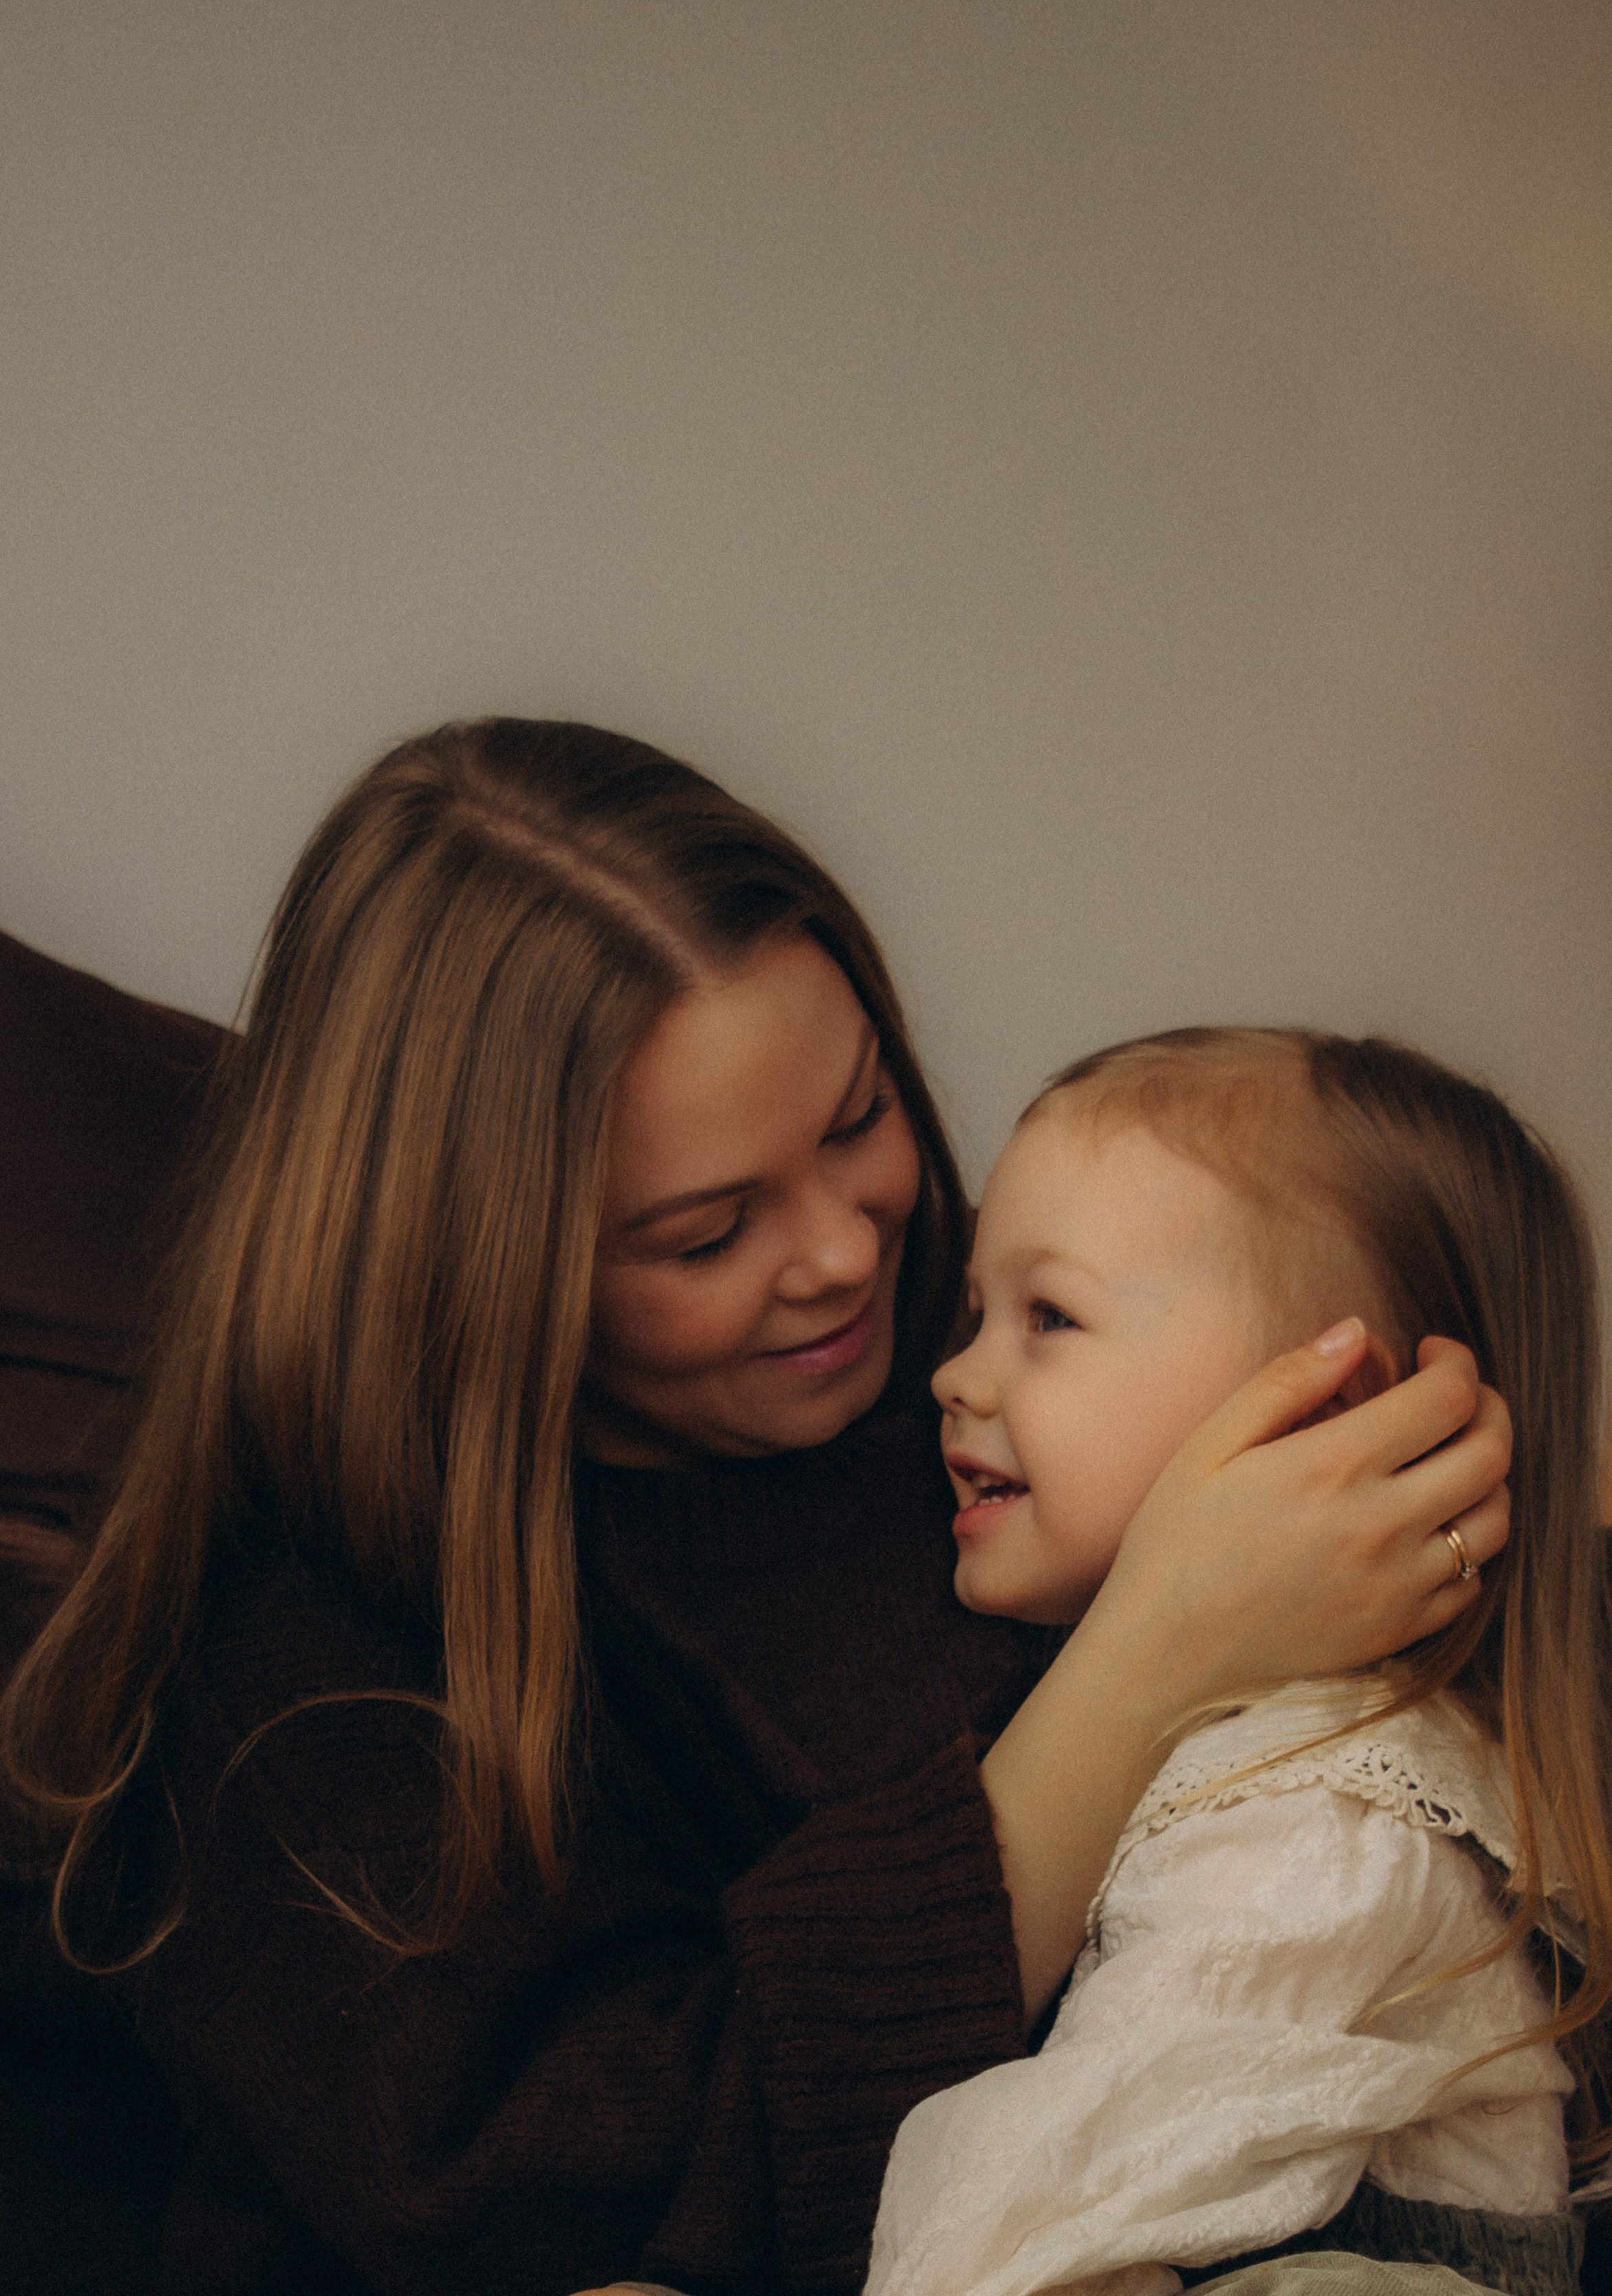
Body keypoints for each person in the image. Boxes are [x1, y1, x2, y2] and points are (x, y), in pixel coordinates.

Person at [0, 722, 1512, 2296]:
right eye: (709, 1232)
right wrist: (1154, 1657)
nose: (845, 1255)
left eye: (859, 1119)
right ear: (482, 1279)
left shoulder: (980, 1338)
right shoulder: (295, 1655)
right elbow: (583, 2194)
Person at [865, 1028, 1606, 2296]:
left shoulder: (1315, 1822)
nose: (956, 1373)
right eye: (976, 1311)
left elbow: (1020, 2237)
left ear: (1331, 1421)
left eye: (1049, 1316)